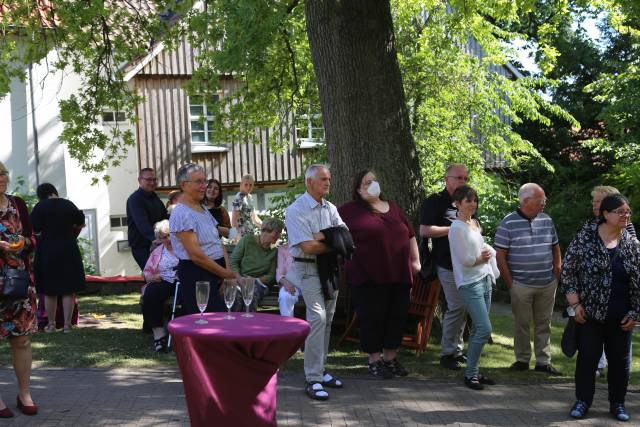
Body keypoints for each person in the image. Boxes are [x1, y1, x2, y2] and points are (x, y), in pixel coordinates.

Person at [561, 194, 640, 421]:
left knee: (619, 362)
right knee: (587, 360)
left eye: (628, 212)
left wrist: (635, 313)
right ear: (606, 214)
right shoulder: (585, 239)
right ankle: (583, 401)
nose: (626, 215)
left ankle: (618, 404)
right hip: (590, 315)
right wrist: (574, 305)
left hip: (622, 317)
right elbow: (568, 273)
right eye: (620, 212)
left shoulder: (633, 245)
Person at [338, 169, 420, 379]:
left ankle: (390, 358)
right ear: (358, 188)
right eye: (367, 182)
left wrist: (415, 260)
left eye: (374, 180)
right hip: (367, 276)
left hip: (399, 273)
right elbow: (334, 234)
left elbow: (409, 234)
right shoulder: (349, 210)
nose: (372, 185)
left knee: (397, 317)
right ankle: (374, 360)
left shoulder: (393, 208)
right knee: (372, 318)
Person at [285, 164, 347, 401]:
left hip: (329, 268)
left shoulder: (330, 208)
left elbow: (346, 236)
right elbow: (307, 247)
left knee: (328, 321)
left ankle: (320, 370)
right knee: (318, 318)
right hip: (307, 268)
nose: (328, 182)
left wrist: (323, 235)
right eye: (323, 179)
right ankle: (313, 378)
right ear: (309, 182)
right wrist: (334, 239)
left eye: (329, 179)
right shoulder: (296, 209)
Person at [495, 183, 562, 375]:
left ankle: (543, 362)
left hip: (547, 283)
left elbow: (555, 247)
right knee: (522, 324)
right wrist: (511, 284)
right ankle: (522, 360)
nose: (544, 204)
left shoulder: (547, 220)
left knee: (544, 324)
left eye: (544, 201)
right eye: (541, 201)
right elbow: (500, 256)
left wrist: (557, 272)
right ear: (526, 201)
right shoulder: (508, 223)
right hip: (521, 284)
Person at [420, 163, 470, 370]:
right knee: (456, 306)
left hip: (467, 264)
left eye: (465, 178)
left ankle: (457, 350)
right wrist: (453, 229)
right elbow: (424, 231)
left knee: (464, 307)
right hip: (446, 264)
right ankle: (447, 353)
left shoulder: (467, 201)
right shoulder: (435, 202)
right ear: (446, 179)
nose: (463, 182)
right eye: (459, 178)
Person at [448, 185, 499, 390]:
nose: (473, 204)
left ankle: (474, 371)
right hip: (469, 283)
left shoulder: (475, 223)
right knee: (484, 329)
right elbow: (466, 260)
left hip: (485, 278)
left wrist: (486, 255)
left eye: (475, 200)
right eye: (468, 200)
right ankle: (470, 375)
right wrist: (482, 257)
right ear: (457, 203)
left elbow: (478, 249)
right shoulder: (456, 227)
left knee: (479, 328)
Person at [169, 163, 235, 315]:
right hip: (197, 274)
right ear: (184, 185)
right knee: (207, 324)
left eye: (204, 181)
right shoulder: (181, 213)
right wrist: (226, 274)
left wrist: (225, 271)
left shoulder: (203, 209)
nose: (204, 186)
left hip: (214, 271)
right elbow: (196, 256)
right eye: (199, 181)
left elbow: (217, 242)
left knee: (218, 321)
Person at [0, 161, 38, 417]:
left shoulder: (18, 204)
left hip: (18, 281)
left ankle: (24, 392)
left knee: (22, 340)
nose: (1, 178)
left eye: (3, 173)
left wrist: (22, 242)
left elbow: (33, 239)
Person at [590, 186, 636, 377]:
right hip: (595, 297)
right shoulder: (590, 228)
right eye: (593, 201)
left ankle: (621, 370)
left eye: (598, 201)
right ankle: (598, 366)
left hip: (619, 296)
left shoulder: (626, 228)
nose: (594, 205)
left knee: (622, 335)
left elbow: (632, 261)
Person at [30, 183, 85, 334]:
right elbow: (80, 221)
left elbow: (34, 228)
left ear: (41, 195)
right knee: (68, 289)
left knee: (49, 289)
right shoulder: (68, 204)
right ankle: (67, 325)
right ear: (54, 191)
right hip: (68, 249)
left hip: (47, 250)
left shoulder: (40, 207)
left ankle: (51, 324)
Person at [230, 218, 283, 310]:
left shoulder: (274, 251)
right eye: (277, 232)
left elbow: (271, 276)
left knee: (250, 294)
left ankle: (248, 322)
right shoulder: (247, 240)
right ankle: (234, 323)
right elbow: (233, 261)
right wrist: (240, 279)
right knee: (235, 294)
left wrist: (253, 280)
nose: (279, 236)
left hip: (259, 284)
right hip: (241, 279)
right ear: (267, 231)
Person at [142, 220, 179, 353]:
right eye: (164, 237)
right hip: (163, 280)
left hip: (181, 281)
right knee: (151, 293)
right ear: (159, 239)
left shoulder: (183, 247)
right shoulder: (157, 252)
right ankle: (159, 333)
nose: (168, 239)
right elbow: (147, 274)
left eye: (170, 235)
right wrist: (153, 277)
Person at [126, 168, 168, 270]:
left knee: (162, 276)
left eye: (154, 179)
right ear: (140, 180)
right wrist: (156, 239)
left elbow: (165, 219)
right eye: (149, 179)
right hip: (142, 246)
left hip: (158, 244)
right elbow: (142, 223)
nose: (152, 182)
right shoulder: (135, 199)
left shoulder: (155, 198)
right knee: (152, 276)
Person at [231, 174, 262, 239]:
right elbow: (234, 220)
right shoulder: (239, 198)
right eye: (246, 184)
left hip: (250, 235)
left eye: (251, 185)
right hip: (241, 237)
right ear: (241, 184)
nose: (248, 187)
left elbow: (254, 218)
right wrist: (235, 237)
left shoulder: (249, 197)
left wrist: (266, 226)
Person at [276, 244, 300, 317]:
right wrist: (285, 281)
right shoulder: (283, 249)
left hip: (309, 282)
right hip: (291, 282)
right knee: (285, 296)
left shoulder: (309, 245)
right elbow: (280, 272)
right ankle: (287, 325)